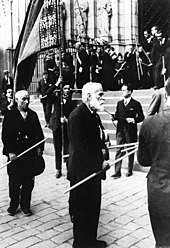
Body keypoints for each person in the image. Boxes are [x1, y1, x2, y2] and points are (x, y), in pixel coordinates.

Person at [67, 82, 109, 248]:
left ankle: (91, 240)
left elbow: (98, 141)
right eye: (100, 95)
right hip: (82, 172)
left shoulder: (94, 115)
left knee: (93, 208)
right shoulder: (77, 116)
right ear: (89, 96)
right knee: (81, 210)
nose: (103, 98)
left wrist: (104, 151)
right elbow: (82, 147)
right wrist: (100, 163)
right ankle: (80, 243)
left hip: (93, 171)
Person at [137, 77, 170, 247]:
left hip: (158, 188)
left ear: (166, 94)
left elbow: (143, 160)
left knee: (162, 241)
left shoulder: (149, 123)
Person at [1, 90, 44, 217]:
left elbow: (39, 134)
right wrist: (10, 152)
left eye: (28, 99)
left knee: (28, 181)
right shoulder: (10, 115)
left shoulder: (33, 115)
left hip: (29, 154)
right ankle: (14, 204)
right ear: (17, 101)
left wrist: (39, 148)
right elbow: (5, 136)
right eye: (23, 99)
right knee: (14, 181)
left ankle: (25, 205)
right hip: (15, 155)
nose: (27, 102)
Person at [111, 84, 144, 179]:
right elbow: (117, 115)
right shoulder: (119, 103)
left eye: (124, 90)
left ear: (130, 91)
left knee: (130, 150)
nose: (122, 92)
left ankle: (129, 170)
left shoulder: (136, 104)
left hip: (130, 131)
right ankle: (117, 171)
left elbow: (141, 117)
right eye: (122, 90)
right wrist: (113, 117)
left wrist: (133, 120)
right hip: (120, 130)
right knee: (118, 150)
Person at [49, 80, 77, 178]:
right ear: (62, 90)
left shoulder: (73, 103)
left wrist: (67, 120)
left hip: (67, 128)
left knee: (67, 148)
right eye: (65, 88)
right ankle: (58, 169)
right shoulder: (57, 100)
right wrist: (57, 83)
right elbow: (48, 93)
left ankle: (69, 168)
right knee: (57, 149)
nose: (67, 90)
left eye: (69, 89)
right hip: (57, 127)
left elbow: (74, 117)